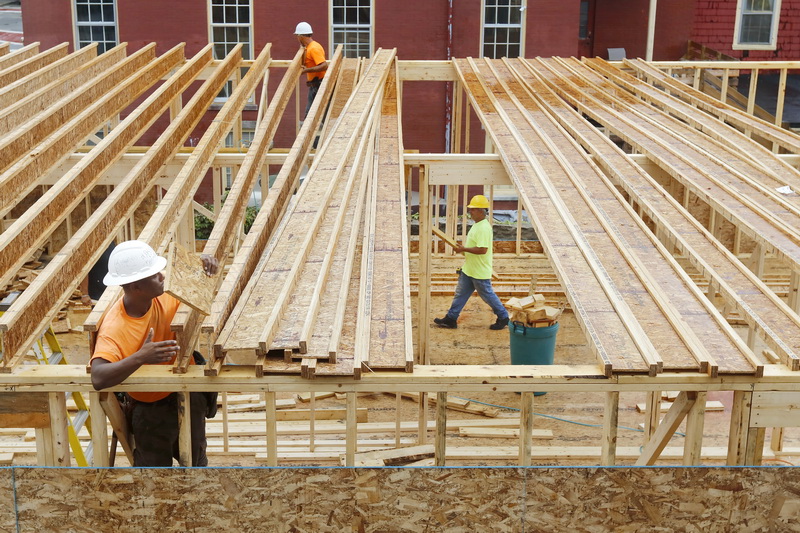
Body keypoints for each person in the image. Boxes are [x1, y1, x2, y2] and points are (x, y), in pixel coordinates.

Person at [90, 240, 219, 466]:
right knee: (155, 474)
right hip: (150, 408)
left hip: (188, 395)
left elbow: (199, 279)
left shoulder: (164, 291)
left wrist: (205, 263)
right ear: (135, 286)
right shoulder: (116, 327)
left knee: (196, 463)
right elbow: (98, 377)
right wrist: (141, 357)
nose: (162, 276)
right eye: (154, 275)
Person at [434, 195, 509, 330]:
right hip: (469, 269)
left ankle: (503, 317)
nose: (470, 212)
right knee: (460, 294)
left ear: (481, 211)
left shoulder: (484, 228)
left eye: (473, 209)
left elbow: (482, 250)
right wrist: (463, 250)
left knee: (487, 295)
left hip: (479, 271)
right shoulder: (477, 225)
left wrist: (464, 249)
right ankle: (451, 318)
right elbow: (474, 247)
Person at [294, 21, 328, 117]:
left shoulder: (314, 48)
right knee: (311, 114)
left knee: (316, 115)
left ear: (301, 36)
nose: (297, 38)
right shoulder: (308, 48)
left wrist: (306, 70)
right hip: (314, 85)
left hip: (319, 85)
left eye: (297, 36)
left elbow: (324, 65)